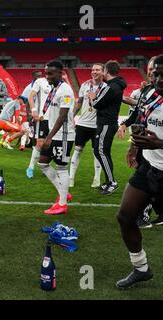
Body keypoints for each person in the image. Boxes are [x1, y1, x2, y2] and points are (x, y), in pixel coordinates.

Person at [115, 54, 163, 289]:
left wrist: (159, 144)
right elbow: (143, 121)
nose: (159, 79)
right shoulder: (150, 95)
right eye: (157, 74)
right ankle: (141, 268)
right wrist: (135, 147)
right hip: (150, 167)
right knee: (125, 216)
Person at [37, 60, 76, 215]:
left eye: (51, 73)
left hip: (64, 136)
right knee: (43, 163)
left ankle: (62, 204)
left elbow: (62, 115)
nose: (47, 76)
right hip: (53, 134)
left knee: (61, 168)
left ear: (61, 73)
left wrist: (49, 137)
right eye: (46, 73)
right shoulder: (54, 88)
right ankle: (63, 192)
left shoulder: (65, 90)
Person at [88, 60, 126, 195]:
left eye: (103, 70)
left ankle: (112, 182)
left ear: (106, 71)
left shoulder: (111, 86)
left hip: (106, 124)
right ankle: (109, 181)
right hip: (108, 123)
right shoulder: (116, 86)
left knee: (100, 151)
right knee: (103, 152)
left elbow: (97, 104)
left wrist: (92, 98)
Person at [69, 63, 106, 188]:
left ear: (103, 72)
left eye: (97, 70)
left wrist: (94, 99)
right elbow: (79, 103)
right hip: (83, 124)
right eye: (93, 70)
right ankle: (71, 178)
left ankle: (96, 179)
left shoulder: (106, 87)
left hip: (97, 125)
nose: (94, 72)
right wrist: (72, 116)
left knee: (97, 152)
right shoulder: (85, 85)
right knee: (77, 150)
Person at [26, 70, 51, 179]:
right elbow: (30, 96)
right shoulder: (40, 81)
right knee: (40, 143)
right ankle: (30, 167)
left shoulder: (60, 84)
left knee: (51, 144)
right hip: (42, 117)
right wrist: (34, 110)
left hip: (55, 119)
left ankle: (45, 166)